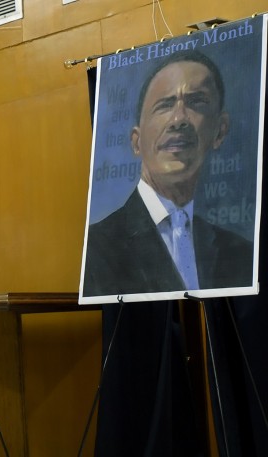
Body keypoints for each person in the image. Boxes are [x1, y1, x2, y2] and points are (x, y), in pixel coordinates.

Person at [83, 50, 254, 298]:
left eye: (196, 102)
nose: (178, 119)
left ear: (220, 131)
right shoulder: (97, 249)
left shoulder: (241, 255)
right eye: (164, 105)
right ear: (137, 141)